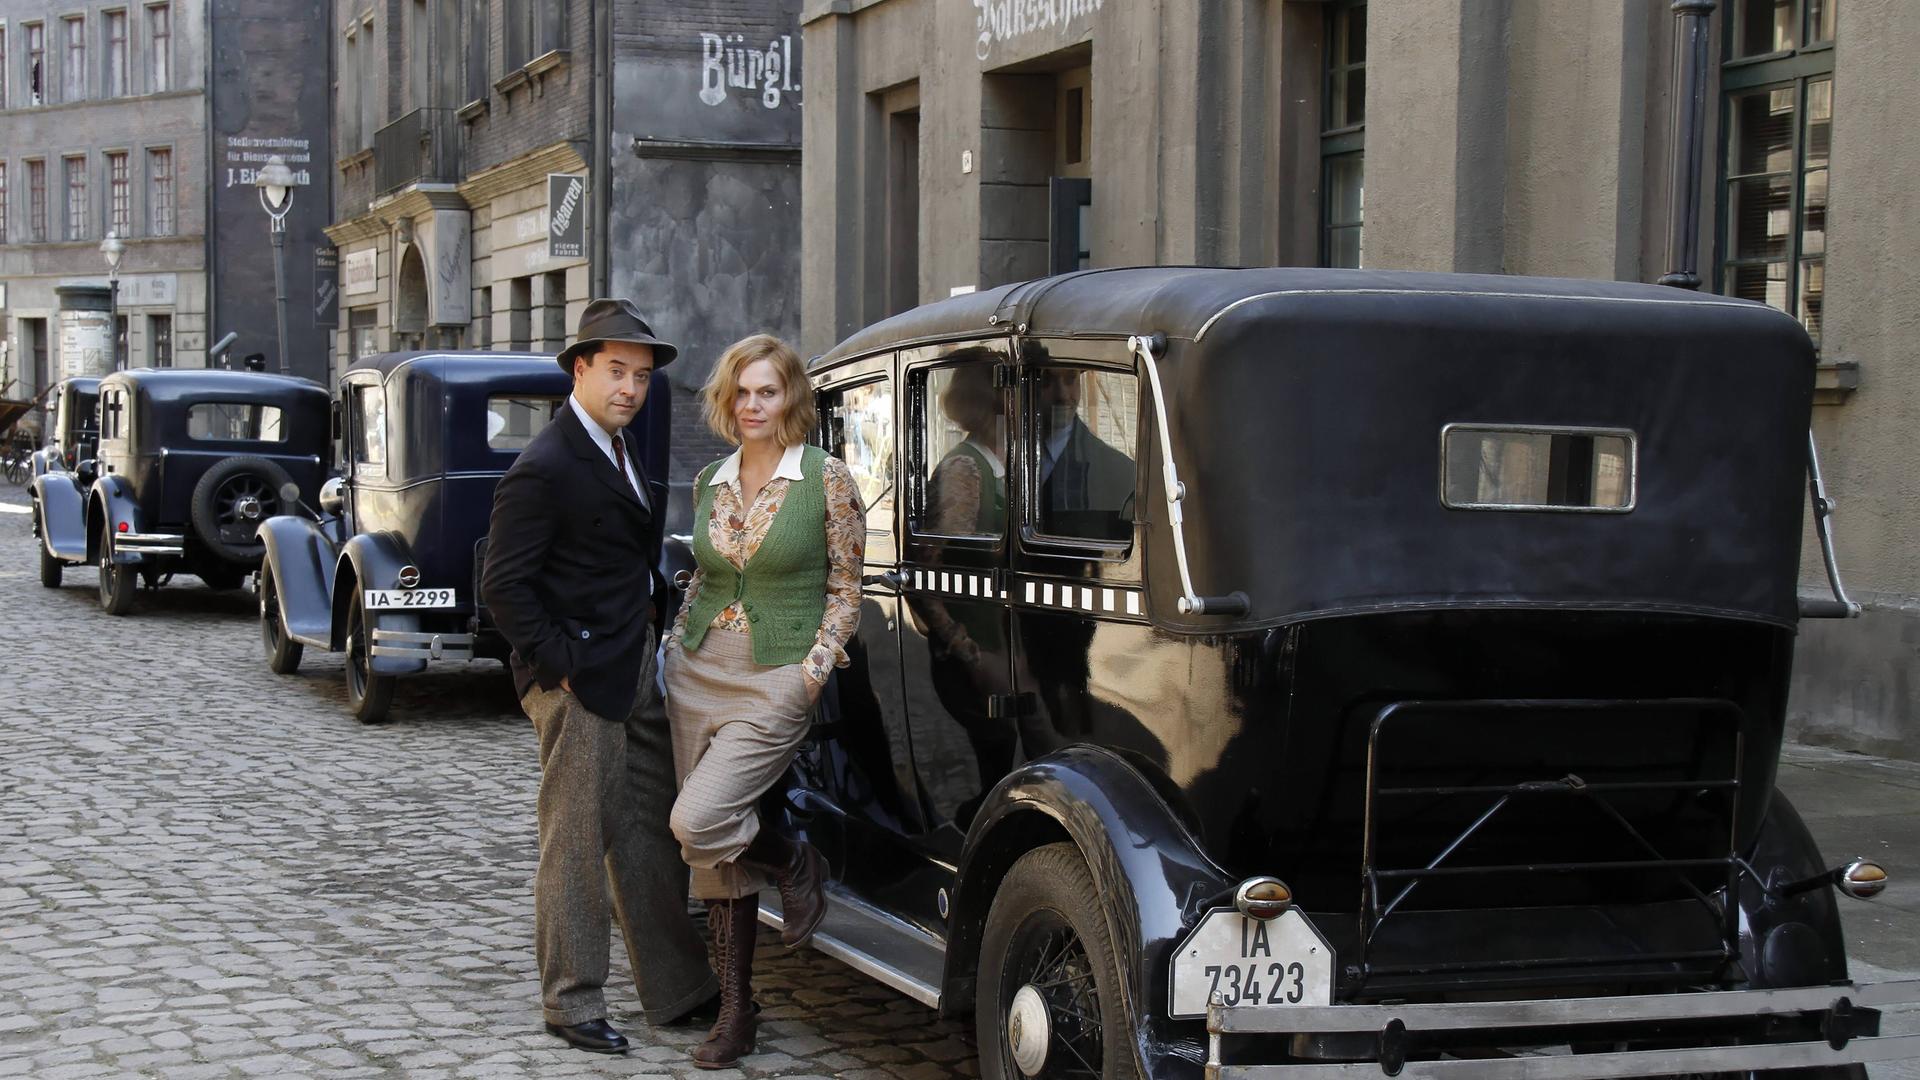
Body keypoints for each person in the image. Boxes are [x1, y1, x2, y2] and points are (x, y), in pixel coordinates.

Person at [479, 298, 719, 1055]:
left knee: (652, 826)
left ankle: (677, 987)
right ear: (578, 370)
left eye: (642, 377)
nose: (631, 388)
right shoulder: (544, 465)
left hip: (633, 665)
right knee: (577, 840)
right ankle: (572, 1000)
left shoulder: (621, 449)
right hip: (579, 679)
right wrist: (561, 669)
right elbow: (502, 586)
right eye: (616, 371)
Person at [664, 333, 864, 1069]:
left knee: (700, 819)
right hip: (696, 668)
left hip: (778, 670)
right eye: (742, 392)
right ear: (727, 399)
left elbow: (847, 590)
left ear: (792, 399)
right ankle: (736, 1010)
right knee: (714, 857)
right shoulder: (711, 477)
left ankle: (793, 861)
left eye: (767, 391)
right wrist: (673, 646)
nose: (753, 405)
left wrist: (811, 672)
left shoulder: (826, 478)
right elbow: (701, 575)